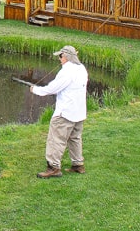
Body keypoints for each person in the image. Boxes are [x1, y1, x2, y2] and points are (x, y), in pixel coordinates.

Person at [30, 45, 88, 178]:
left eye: (60, 56)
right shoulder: (82, 68)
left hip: (65, 113)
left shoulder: (67, 71)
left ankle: (53, 168)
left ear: (66, 56)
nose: (59, 59)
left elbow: (53, 89)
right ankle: (78, 165)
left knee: (56, 139)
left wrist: (35, 90)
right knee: (75, 138)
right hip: (79, 112)